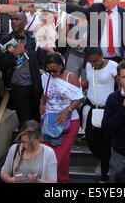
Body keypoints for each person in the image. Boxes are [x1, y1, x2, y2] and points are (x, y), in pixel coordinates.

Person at [52, 0, 125, 64]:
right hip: (98, 59)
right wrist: (65, 6)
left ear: (117, 0)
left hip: (119, 58)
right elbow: (82, 11)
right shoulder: (96, 9)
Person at [0, 12, 45, 125]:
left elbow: (42, 62)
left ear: (25, 22)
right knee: (25, 122)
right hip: (17, 88)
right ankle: (26, 141)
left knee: (37, 120)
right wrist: (13, 54)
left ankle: (34, 142)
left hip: (34, 87)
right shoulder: (2, 42)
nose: (14, 21)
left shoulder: (33, 39)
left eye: (17, 19)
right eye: (12, 19)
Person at [40, 52, 84, 183]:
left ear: (61, 66)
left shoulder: (71, 77)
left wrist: (67, 110)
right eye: (49, 70)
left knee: (60, 157)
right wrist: (41, 105)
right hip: (49, 120)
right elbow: (44, 94)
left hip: (68, 121)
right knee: (47, 156)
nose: (52, 73)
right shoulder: (45, 77)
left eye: (55, 70)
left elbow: (79, 97)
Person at [81, 47, 118, 182]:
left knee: (105, 142)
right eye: (91, 62)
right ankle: (103, 160)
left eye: (96, 61)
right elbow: (88, 83)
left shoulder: (113, 66)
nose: (93, 64)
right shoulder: (89, 66)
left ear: (102, 55)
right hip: (91, 108)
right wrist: (74, 89)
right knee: (91, 140)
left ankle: (104, 172)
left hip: (107, 110)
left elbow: (120, 87)